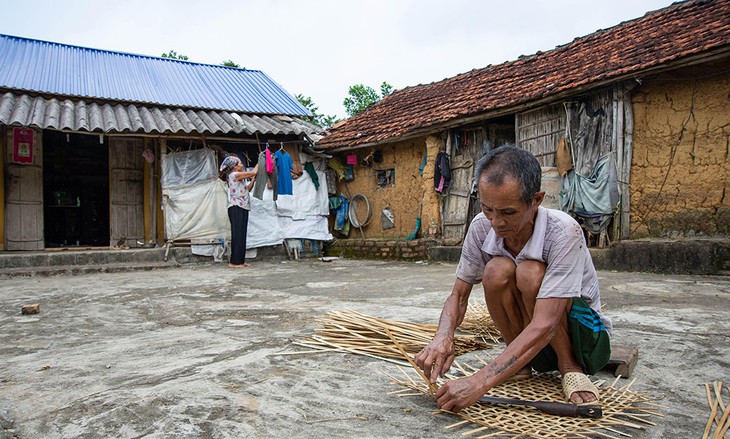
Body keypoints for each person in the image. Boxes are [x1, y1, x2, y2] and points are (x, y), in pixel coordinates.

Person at [415, 145, 611, 413]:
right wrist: (443, 336)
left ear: (536, 200)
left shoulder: (564, 231)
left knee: (530, 273)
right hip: (533, 343)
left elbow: (546, 322)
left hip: (584, 339)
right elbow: (459, 295)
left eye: (508, 212)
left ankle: (569, 368)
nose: (496, 222)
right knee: (495, 271)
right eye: (488, 209)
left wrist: (479, 381)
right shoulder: (480, 228)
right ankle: (520, 365)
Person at [219, 156, 257, 268]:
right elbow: (253, 171)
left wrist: (253, 180)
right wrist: (261, 159)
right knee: (237, 235)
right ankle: (234, 262)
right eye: (240, 163)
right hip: (236, 208)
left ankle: (240, 260)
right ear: (234, 166)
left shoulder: (239, 178)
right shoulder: (234, 175)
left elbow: (247, 189)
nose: (241, 165)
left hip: (243, 207)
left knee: (241, 234)